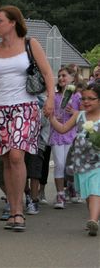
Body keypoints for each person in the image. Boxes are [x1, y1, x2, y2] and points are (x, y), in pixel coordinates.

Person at [0, 5, 54, 232]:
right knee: (5, 159)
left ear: (13, 22)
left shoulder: (31, 45)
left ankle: (19, 210)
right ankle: (12, 208)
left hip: (25, 107)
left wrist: (50, 99)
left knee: (17, 155)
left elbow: (48, 73)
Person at [49, 82, 100, 236]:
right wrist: (50, 117)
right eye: (84, 98)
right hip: (81, 162)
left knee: (94, 190)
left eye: (91, 98)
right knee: (87, 192)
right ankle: (94, 218)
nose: (86, 101)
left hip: (98, 162)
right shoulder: (79, 116)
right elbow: (63, 129)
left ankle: (92, 219)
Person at [49, 66, 82, 209]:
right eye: (60, 76)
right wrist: (50, 114)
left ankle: (71, 187)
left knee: (70, 166)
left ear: (72, 78)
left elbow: (84, 114)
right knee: (59, 164)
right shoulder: (54, 95)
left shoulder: (77, 96)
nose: (61, 78)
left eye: (64, 76)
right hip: (56, 133)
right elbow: (48, 111)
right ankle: (60, 194)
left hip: (71, 134)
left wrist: (75, 111)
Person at [24, 94, 51, 215]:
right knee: (22, 172)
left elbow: (44, 122)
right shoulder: (20, 97)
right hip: (21, 141)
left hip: (38, 142)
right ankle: (27, 194)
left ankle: (34, 201)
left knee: (34, 173)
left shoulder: (44, 100)